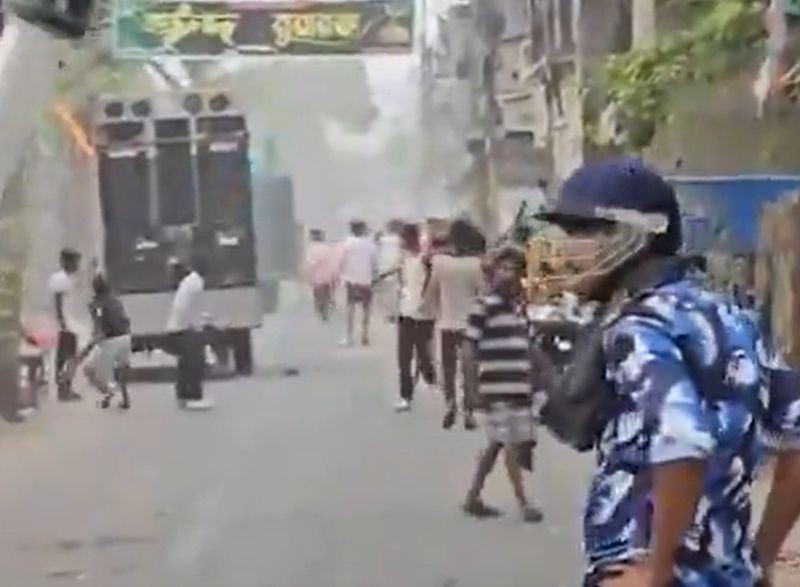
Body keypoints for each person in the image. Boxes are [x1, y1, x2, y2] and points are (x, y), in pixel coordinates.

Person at [532, 158, 800, 587]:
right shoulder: (736, 317)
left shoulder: (637, 328)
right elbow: (795, 443)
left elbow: (683, 442)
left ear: (634, 236)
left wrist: (657, 571)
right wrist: (760, 558)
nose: (567, 248)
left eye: (583, 231)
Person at [461, 246, 543, 523]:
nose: (509, 275)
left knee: (497, 443)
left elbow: (526, 349)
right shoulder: (483, 306)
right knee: (508, 443)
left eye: (515, 270)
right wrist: (471, 391)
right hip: (496, 389)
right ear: (493, 272)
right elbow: (469, 348)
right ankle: (524, 502)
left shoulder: (518, 308)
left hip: (517, 388)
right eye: (504, 269)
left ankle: (473, 496)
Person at [421, 219, 485, 430]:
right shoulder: (475, 265)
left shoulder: (439, 263)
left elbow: (431, 293)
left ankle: (450, 403)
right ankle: (468, 410)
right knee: (469, 369)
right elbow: (483, 294)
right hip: (470, 326)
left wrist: (425, 312)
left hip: (446, 323)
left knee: (448, 368)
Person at [394, 223, 436, 412]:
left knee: (423, 354)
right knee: (404, 358)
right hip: (406, 313)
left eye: (407, 239)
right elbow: (402, 283)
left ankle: (430, 377)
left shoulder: (426, 259)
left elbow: (432, 283)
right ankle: (406, 396)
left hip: (424, 314)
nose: (404, 243)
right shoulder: (403, 259)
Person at [76, 274, 132, 409]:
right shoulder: (116, 300)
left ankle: (109, 391)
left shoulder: (96, 305)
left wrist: (85, 350)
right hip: (126, 337)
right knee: (121, 369)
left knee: (89, 370)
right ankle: (125, 398)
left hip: (110, 342)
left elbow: (99, 331)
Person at [165, 253, 213, 410]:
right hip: (185, 328)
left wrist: (203, 318)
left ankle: (183, 396)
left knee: (186, 364)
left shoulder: (190, 281)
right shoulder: (196, 283)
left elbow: (189, 307)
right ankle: (194, 396)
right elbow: (189, 309)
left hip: (177, 326)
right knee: (196, 363)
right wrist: (199, 326)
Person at [48, 247, 83, 401]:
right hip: (66, 324)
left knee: (70, 357)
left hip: (70, 322)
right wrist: (62, 322)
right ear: (66, 262)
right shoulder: (60, 278)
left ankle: (66, 387)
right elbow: (58, 301)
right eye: (75, 262)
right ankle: (63, 389)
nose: (77, 265)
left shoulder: (68, 278)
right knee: (66, 357)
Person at [339, 219, 378, 347]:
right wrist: (374, 277)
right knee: (366, 309)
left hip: (351, 280)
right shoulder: (369, 243)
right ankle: (364, 336)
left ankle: (349, 336)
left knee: (350, 308)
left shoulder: (347, 243)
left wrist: (342, 277)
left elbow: (342, 261)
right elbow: (374, 262)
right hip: (366, 280)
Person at [304, 229, 339, 322]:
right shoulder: (328, 249)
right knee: (327, 295)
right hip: (328, 278)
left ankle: (319, 312)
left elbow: (310, 265)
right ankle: (326, 309)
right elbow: (334, 264)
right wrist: (334, 277)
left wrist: (308, 277)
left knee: (317, 296)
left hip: (317, 278)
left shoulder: (311, 250)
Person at [376, 219, 404, 323]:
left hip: (384, 271)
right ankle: (397, 314)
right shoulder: (400, 240)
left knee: (388, 295)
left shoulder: (383, 240)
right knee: (397, 294)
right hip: (396, 270)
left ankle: (392, 315)